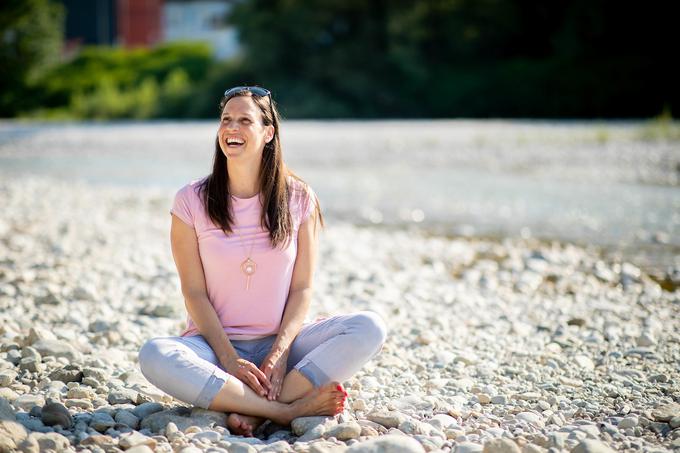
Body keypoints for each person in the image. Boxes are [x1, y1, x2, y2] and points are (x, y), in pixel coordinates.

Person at [138, 86, 387, 436]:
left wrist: (281, 353)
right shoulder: (190, 200)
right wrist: (228, 359)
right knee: (154, 354)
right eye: (226, 120)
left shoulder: (300, 198)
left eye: (244, 120)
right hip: (213, 347)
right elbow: (193, 293)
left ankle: (250, 408)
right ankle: (282, 410)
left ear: (268, 133)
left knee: (370, 327)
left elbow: (302, 289)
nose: (231, 129)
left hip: (284, 343)